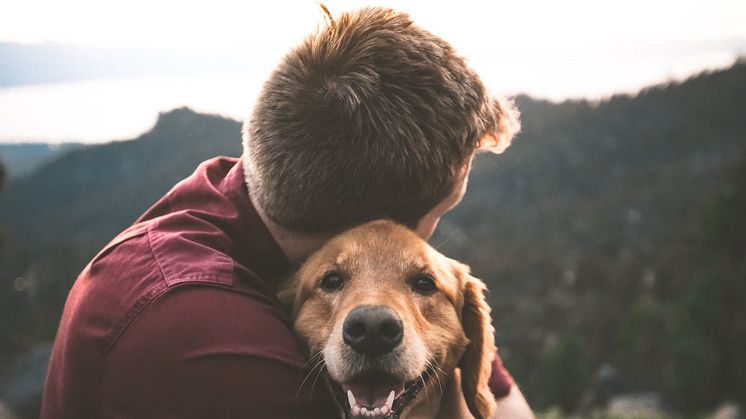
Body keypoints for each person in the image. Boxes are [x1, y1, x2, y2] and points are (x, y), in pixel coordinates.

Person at [41, 6, 533, 418]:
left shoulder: (241, 192)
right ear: (377, 226)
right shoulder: (208, 340)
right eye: (440, 213)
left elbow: (503, 403)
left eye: (419, 281)